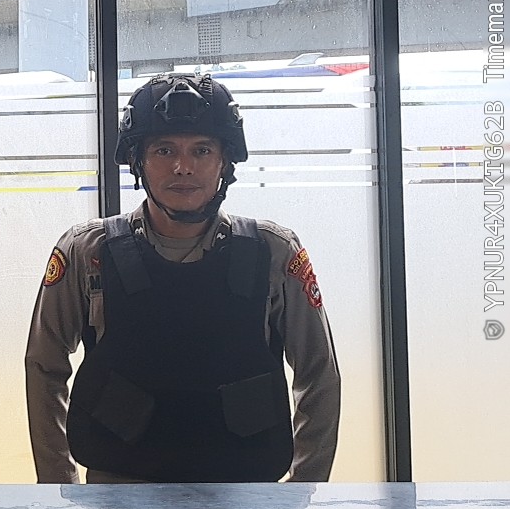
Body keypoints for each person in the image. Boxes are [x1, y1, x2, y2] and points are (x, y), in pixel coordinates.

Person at [25, 73, 340, 484]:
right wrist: (59, 486)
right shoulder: (88, 252)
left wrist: (305, 487)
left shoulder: (273, 252)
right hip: (118, 494)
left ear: (224, 161)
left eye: (201, 150)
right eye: (164, 150)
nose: (183, 167)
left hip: (246, 493)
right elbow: (44, 366)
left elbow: (319, 372)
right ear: (138, 161)